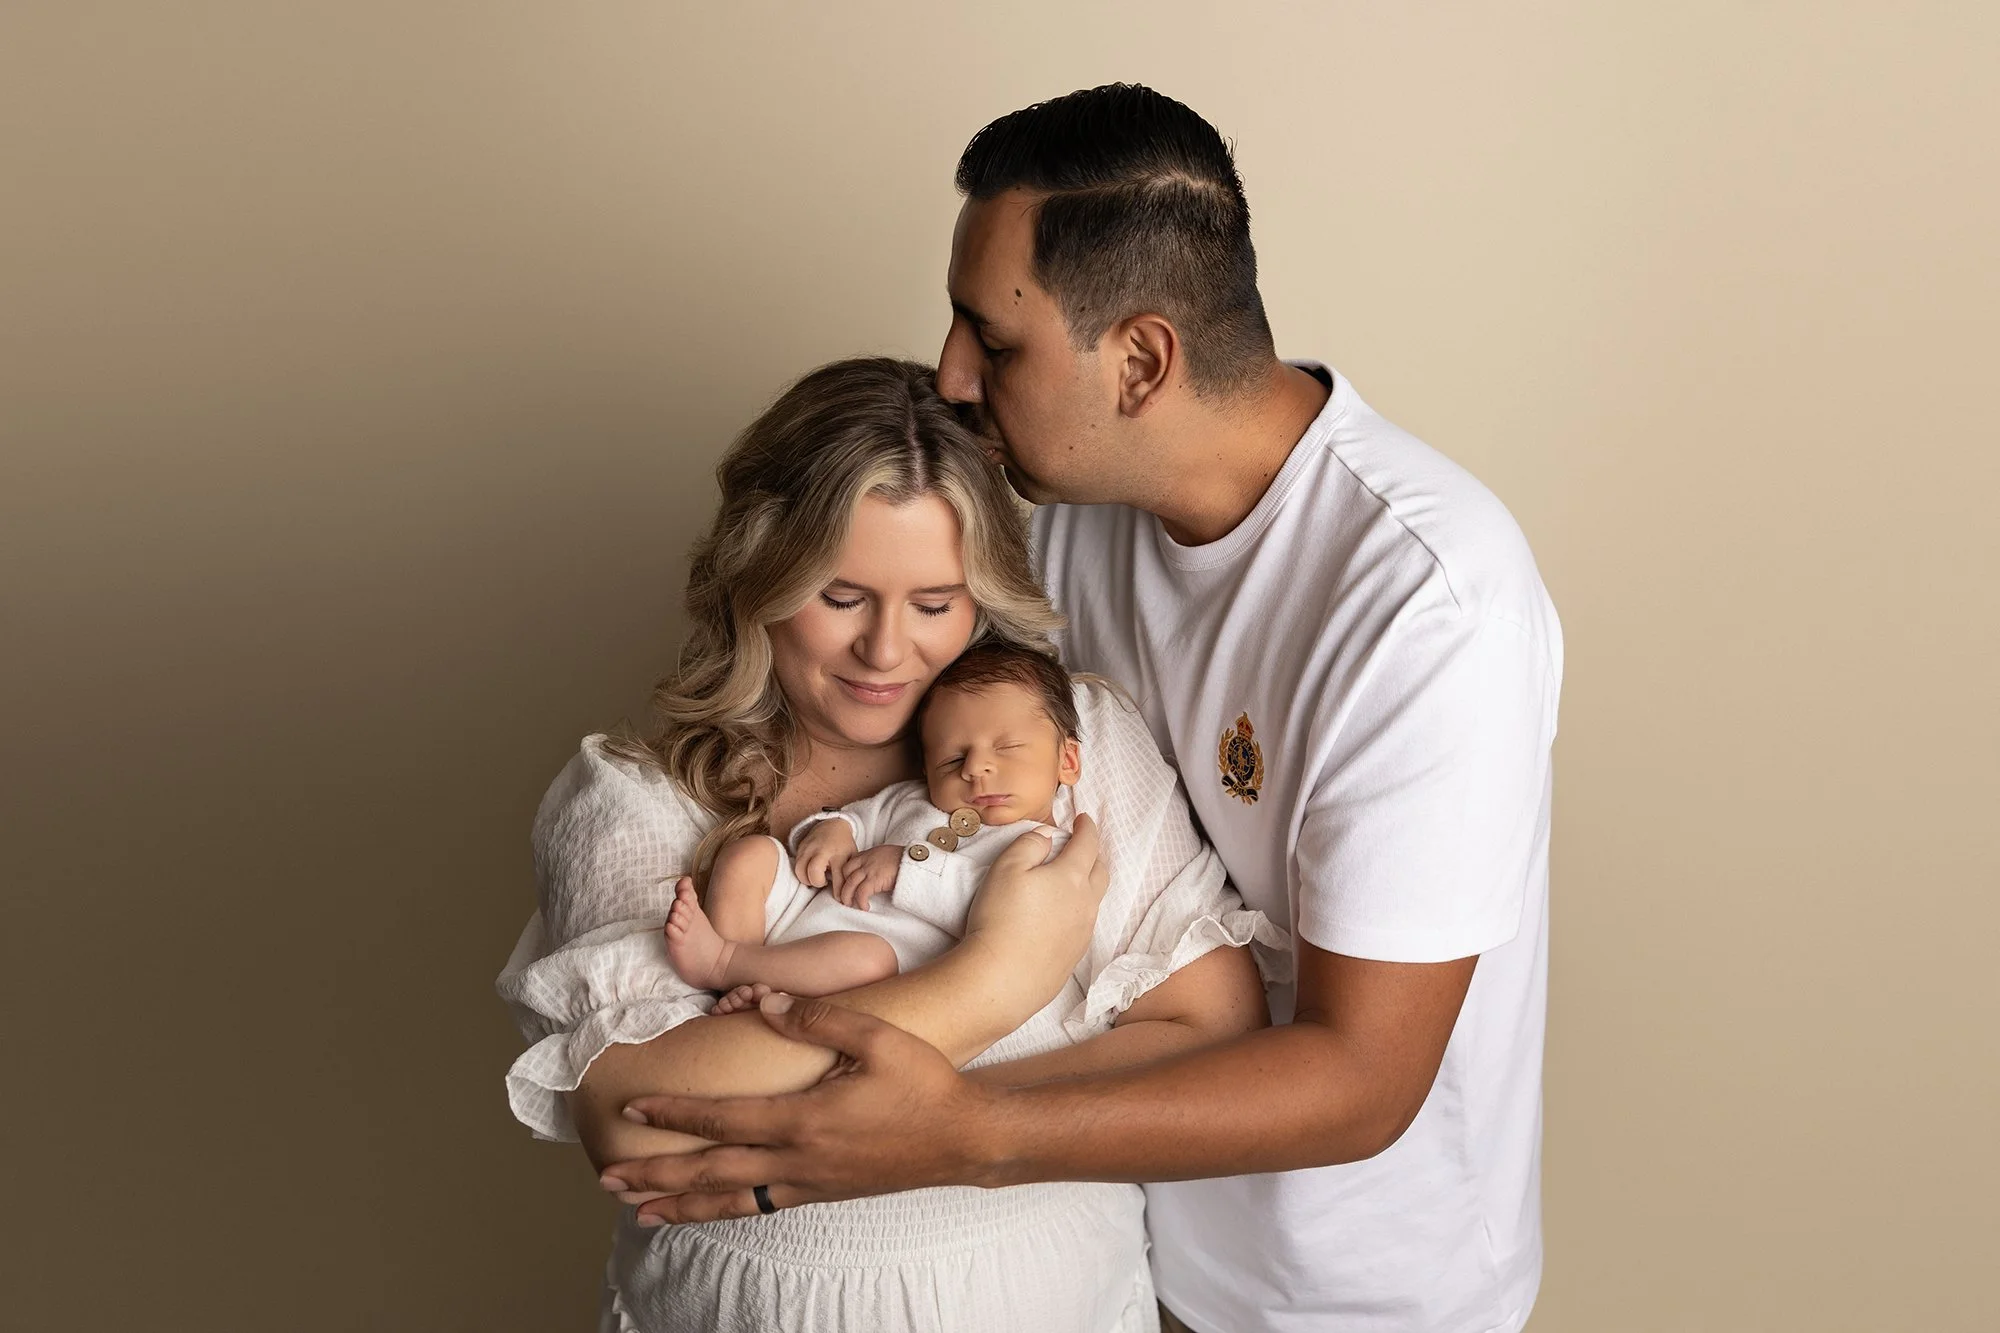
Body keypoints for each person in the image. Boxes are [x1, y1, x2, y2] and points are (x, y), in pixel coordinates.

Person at [600, 85, 1565, 1333]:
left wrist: (954, 1133)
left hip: (1348, 1295)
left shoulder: (1428, 603)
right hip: (1123, 1247)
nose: (947, 375)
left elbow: (1361, 1078)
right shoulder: (1060, 527)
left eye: (991, 342)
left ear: (1142, 360)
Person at [495, 356, 1281, 1332]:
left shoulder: (1062, 744)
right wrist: (992, 979)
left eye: (935, 602)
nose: (885, 651)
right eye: (840, 595)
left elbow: (1210, 1031)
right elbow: (637, 1123)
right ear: (760, 579)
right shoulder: (634, 798)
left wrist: (931, 1128)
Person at [663, 642, 1092, 1017]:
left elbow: (1005, 910)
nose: (976, 768)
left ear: (1067, 761)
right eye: (951, 760)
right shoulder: (913, 800)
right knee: (749, 855)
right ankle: (745, 981)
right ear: (926, 768)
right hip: (801, 916)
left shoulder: (1048, 850)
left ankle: (723, 963)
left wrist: (906, 868)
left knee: (865, 958)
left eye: (1007, 748)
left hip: (878, 966)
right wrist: (835, 831)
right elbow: (860, 817)